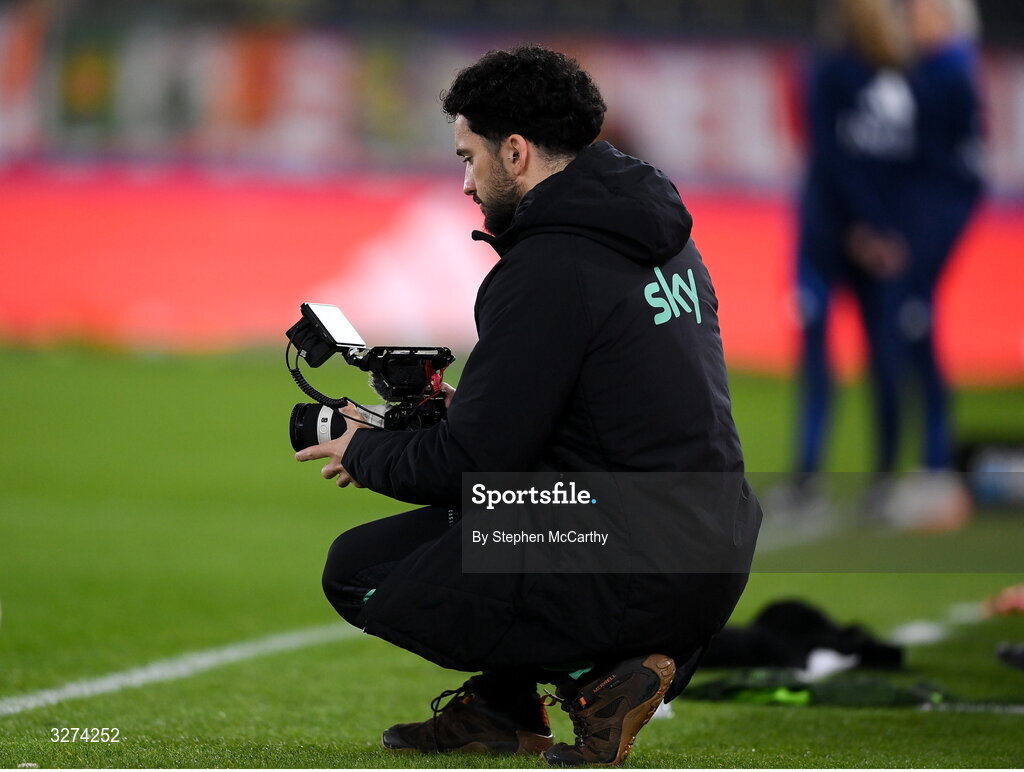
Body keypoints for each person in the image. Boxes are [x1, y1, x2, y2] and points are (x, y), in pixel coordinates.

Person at [295, 45, 761, 765]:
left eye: (468, 157)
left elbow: (473, 463)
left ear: (515, 152)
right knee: (489, 529)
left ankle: (601, 684)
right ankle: (503, 707)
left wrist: (367, 448)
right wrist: (463, 410)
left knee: (362, 571)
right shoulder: (663, 238)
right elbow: (595, 412)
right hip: (712, 541)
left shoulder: (547, 268)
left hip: (636, 561)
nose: (464, 183)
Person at [774, 0, 914, 517]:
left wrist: (864, 228)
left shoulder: (830, 70)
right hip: (866, 240)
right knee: (881, 358)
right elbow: (901, 169)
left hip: (829, 236)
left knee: (823, 360)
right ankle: (879, 480)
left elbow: (829, 157)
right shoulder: (898, 79)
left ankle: (811, 479)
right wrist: (885, 231)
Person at [877, 0, 983, 530]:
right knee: (913, 337)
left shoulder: (946, 74)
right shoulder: (944, 70)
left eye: (918, 15)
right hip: (922, 227)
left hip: (925, 231)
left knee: (915, 334)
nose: (909, 24)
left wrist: (923, 250)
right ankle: (929, 463)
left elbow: (954, 177)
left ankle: (936, 465)